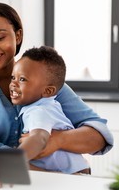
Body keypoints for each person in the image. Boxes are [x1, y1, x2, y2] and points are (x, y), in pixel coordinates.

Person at [0, 2, 113, 161]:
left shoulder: (44, 80)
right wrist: (46, 170)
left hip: (44, 182)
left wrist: (57, 140)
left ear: (18, 36)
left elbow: (99, 136)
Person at [10, 46, 90, 174]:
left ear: (48, 91)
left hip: (74, 175)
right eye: (13, 77)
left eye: (22, 79)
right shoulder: (45, 106)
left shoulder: (40, 110)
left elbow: (39, 138)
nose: (13, 84)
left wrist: (16, 158)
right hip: (74, 170)